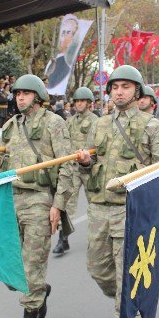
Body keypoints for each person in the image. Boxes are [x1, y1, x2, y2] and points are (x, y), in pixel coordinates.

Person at [76, 65, 159, 318]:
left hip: (131, 211)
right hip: (99, 209)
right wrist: (87, 163)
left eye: (126, 87)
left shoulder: (151, 126)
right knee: (98, 270)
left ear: (137, 92)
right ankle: (127, 302)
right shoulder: (99, 125)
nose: (119, 91)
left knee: (125, 275)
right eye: (115, 86)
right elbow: (88, 168)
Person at [0, 74, 73, 318]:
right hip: (12, 198)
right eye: (17, 93)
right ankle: (39, 292)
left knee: (32, 266)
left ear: (37, 95)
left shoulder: (54, 123)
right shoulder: (10, 126)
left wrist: (58, 205)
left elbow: (66, 166)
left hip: (39, 200)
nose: (19, 97)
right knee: (12, 269)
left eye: (25, 93)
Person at [53, 87, 98, 256]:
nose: (79, 104)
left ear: (88, 103)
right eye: (77, 101)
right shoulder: (70, 121)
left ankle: (98, 238)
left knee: (94, 202)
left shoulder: (96, 121)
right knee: (66, 202)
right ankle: (62, 239)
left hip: (88, 167)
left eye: (82, 101)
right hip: (72, 167)